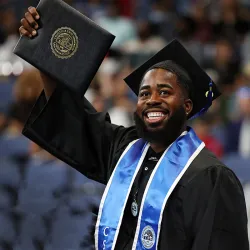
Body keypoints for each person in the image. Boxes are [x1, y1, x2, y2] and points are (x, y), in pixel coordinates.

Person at [18, 7, 249, 250]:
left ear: (188, 106)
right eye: (144, 93)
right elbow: (73, 118)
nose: (152, 99)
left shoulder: (211, 177)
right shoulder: (125, 151)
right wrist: (45, 47)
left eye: (165, 92)